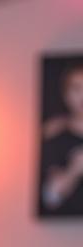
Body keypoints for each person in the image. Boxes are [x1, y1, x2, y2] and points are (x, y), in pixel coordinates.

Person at [40, 62, 83, 215]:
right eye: (77, 88)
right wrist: (74, 171)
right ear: (66, 94)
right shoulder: (54, 138)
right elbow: (50, 197)